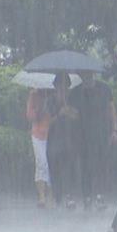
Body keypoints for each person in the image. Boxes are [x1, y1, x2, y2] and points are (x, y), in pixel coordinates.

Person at [68, 70, 117, 211]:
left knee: (101, 166)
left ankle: (100, 195)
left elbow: (111, 110)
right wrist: (69, 111)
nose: (87, 78)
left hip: (101, 134)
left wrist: (114, 130)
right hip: (82, 136)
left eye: (89, 75)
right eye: (84, 75)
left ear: (93, 75)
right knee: (85, 167)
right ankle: (87, 197)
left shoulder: (104, 89)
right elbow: (72, 114)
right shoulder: (75, 93)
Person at [46, 73, 80, 209]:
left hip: (69, 139)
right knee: (55, 170)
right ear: (55, 87)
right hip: (53, 140)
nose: (63, 89)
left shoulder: (73, 99)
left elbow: (77, 116)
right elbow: (47, 121)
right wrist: (60, 113)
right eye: (60, 87)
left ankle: (69, 196)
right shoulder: (50, 101)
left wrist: (69, 111)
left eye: (65, 87)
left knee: (69, 169)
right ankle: (57, 196)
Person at [26, 87, 57, 209]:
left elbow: (55, 116)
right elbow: (30, 116)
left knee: (51, 163)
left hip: (52, 134)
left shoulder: (54, 95)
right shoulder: (34, 95)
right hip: (38, 135)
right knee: (41, 163)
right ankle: (42, 195)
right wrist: (40, 108)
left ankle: (51, 194)